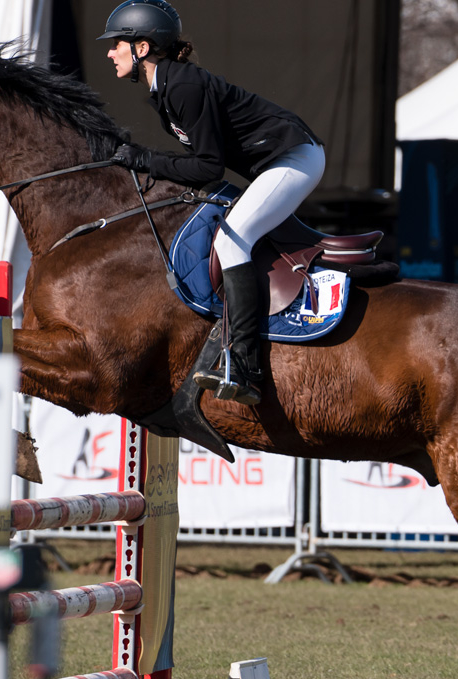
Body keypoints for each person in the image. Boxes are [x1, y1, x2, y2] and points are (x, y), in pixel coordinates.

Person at [99, 0, 326, 407]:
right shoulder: (166, 87)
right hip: (278, 161)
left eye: (118, 43)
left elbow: (207, 167)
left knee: (231, 242)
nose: (110, 52)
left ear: (143, 48)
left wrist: (144, 158)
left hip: (295, 158)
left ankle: (244, 365)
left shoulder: (183, 86)